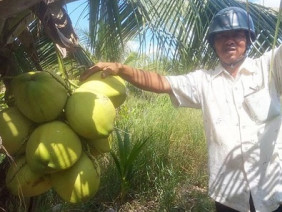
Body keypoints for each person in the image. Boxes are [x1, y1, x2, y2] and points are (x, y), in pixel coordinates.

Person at [80, 7, 282, 212]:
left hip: (271, 189)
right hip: (229, 196)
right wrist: (121, 69)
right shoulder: (204, 81)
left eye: (237, 34)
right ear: (213, 44)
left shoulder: (270, 67)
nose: (229, 40)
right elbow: (161, 82)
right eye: (221, 36)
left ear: (248, 38)